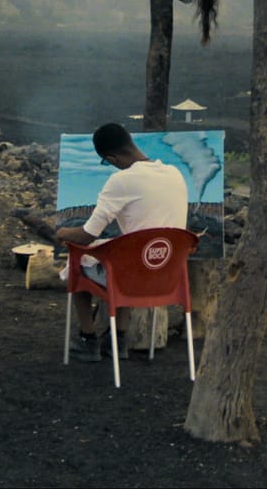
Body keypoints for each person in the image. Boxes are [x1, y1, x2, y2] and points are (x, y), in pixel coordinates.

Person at [55, 122, 189, 362]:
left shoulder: (122, 180)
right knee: (126, 256)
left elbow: (87, 235)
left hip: (132, 276)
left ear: (111, 157)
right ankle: (118, 339)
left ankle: (88, 339)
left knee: (77, 260)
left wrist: (63, 233)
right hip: (168, 275)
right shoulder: (175, 173)